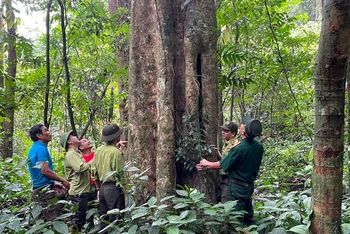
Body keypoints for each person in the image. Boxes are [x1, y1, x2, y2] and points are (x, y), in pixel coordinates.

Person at [196, 116, 263, 226]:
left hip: (237, 187)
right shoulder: (258, 145)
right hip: (249, 185)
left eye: (243, 124)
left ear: (243, 131)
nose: (241, 124)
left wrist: (206, 163)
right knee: (248, 216)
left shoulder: (239, 148)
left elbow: (222, 165)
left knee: (235, 219)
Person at [27, 124, 70, 221]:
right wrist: (63, 180)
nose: (49, 133)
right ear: (39, 135)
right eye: (46, 130)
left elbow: (38, 172)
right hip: (45, 192)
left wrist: (54, 183)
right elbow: (44, 170)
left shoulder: (33, 149)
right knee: (54, 220)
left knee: (41, 222)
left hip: (37, 189)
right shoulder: (41, 149)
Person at [91, 123, 127, 233]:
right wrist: (125, 190)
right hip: (113, 188)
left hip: (102, 188)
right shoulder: (116, 153)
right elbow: (120, 175)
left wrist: (98, 188)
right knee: (116, 219)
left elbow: (94, 172)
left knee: (104, 219)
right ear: (117, 137)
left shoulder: (99, 151)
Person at [60, 132, 92, 233]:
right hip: (78, 192)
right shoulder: (71, 154)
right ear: (69, 141)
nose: (76, 137)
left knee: (84, 218)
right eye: (73, 136)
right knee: (78, 220)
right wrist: (95, 160)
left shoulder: (76, 153)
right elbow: (80, 167)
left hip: (83, 191)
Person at [218, 121, 239, 203]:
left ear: (233, 134)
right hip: (224, 177)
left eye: (226, 131)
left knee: (225, 200)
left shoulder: (234, 145)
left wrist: (207, 164)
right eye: (223, 130)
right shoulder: (226, 143)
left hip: (229, 178)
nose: (223, 132)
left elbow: (228, 163)